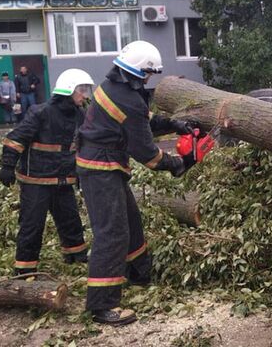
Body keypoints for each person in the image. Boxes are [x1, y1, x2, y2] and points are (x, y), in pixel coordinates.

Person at [76, 40, 209, 326]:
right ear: (137, 73)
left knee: (131, 223)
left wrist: (174, 124)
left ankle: (138, 273)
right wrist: (178, 164)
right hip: (100, 169)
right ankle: (101, 306)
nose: (149, 79)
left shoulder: (116, 88)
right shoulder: (126, 97)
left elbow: (143, 119)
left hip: (106, 166)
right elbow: (148, 155)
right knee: (112, 232)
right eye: (148, 74)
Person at [0, 69, 95, 275]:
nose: (85, 95)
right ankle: (25, 269)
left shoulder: (79, 114)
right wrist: (7, 166)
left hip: (63, 179)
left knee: (70, 220)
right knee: (32, 225)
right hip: (36, 181)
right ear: (69, 90)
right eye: (82, 90)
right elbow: (16, 138)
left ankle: (75, 256)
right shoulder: (40, 112)